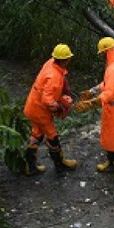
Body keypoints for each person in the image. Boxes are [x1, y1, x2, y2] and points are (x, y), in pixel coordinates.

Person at [75, 37, 114, 172]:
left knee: (112, 135)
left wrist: (92, 103)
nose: (100, 55)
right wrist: (92, 91)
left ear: (106, 52)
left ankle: (113, 163)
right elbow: (109, 84)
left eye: (101, 53)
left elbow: (109, 93)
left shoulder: (111, 69)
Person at [22, 44, 77, 175]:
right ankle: (60, 164)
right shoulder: (54, 77)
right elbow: (47, 100)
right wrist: (60, 107)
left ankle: (30, 167)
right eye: (68, 58)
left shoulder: (50, 63)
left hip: (32, 106)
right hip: (40, 111)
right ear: (65, 60)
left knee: (37, 134)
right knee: (53, 137)